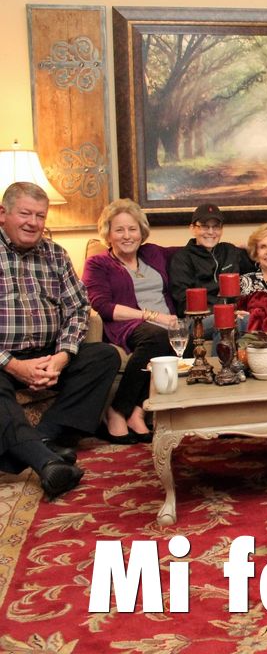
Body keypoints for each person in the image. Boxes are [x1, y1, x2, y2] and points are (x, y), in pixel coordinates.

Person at [0, 182, 119, 499]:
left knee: (104, 356)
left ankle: (40, 439)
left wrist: (63, 356)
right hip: (3, 358)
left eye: (40, 215)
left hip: (50, 353)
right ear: (3, 214)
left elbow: (79, 309)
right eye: (25, 213)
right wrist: (14, 365)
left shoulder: (55, 254)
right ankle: (47, 462)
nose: (33, 223)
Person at [82, 199, 178, 444]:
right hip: (127, 325)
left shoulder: (153, 253)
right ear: (108, 234)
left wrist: (242, 250)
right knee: (157, 337)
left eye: (132, 229)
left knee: (184, 339)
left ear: (141, 232)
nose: (127, 236)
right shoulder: (98, 264)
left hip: (168, 324)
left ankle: (138, 413)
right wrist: (151, 316)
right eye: (119, 230)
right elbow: (102, 306)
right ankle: (116, 410)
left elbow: (190, 249)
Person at [168, 203, 253, 334]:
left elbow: (261, 268)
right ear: (192, 228)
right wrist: (226, 312)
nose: (211, 232)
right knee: (233, 320)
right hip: (197, 320)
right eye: (204, 226)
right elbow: (183, 304)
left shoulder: (230, 251)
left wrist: (252, 248)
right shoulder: (182, 259)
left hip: (235, 313)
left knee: (255, 318)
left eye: (216, 226)